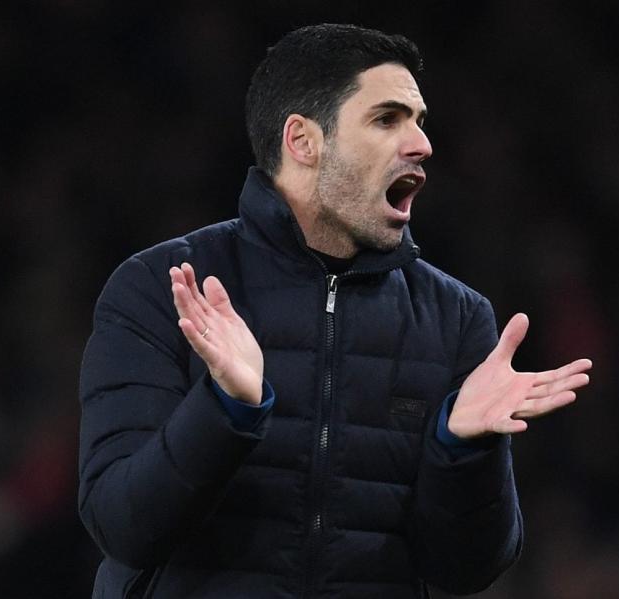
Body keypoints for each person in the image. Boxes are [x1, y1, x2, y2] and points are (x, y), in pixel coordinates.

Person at [78, 23, 592, 598]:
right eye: (387, 119)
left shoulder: (457, 319)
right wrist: (225, 409)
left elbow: (466, 571)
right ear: (303, 141)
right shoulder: (162, 289)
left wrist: (464, 451)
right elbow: (122, 527)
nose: (421, 143)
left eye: (420, 121)